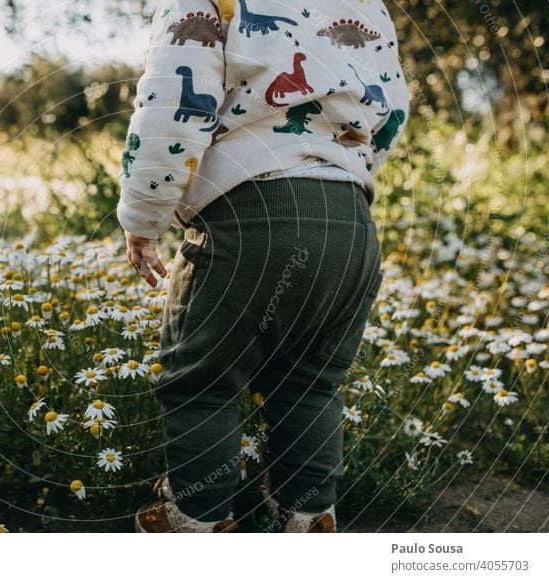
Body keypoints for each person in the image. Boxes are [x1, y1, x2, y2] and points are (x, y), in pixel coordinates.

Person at [117, 0, 409, 533]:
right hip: (351, 222)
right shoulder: (367, 6)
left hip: (248, 216)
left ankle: (195, 522)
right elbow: (392, 114)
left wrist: (145, 215)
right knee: (313, 382)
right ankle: (309, 519)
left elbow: (173, 105)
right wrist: (346, 168)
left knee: (203, 381)